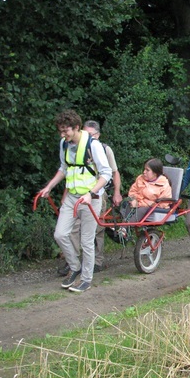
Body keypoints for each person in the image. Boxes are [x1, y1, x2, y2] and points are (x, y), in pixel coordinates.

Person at [38, 110, 112, 293]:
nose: (63, 135)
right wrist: (49, 187)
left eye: (66, 131)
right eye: (61, 132)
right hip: (72, 197)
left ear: (76, 127)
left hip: (90, 199)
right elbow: (63, 169)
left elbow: (106, 174)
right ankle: (75, 266)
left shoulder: (93, 145)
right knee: (60, 234)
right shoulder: (64, 144)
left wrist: (91, 193)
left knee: (87, 241)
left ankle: (86, 279)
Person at [59, 120, 123, 276]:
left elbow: (113, 172)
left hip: (97, 193)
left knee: (96, 230)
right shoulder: (73, 146)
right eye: (85, 132)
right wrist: (65, 195)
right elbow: (72, 172)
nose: (87, 136)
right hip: (76, 194)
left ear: (98, 135)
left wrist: (116, 192)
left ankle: (97, 261)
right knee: (72, 229)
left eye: (91, 134)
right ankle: (73, 261)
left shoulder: (104, 149)